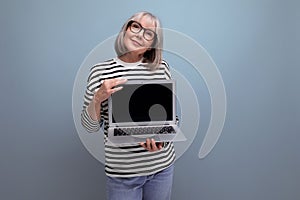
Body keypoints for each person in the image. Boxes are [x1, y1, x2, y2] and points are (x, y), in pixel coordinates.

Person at [81, 11, 175, 200]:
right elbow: (89, 126)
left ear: (153, 44)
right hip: (123, 173)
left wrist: (161, 139)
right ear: (125, 29)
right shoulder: (100, 71)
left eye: (149, 33)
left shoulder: (161, 67)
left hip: (161, 168)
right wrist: (99, 96)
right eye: (136, 26)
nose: (140, 35)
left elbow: (170, 117)